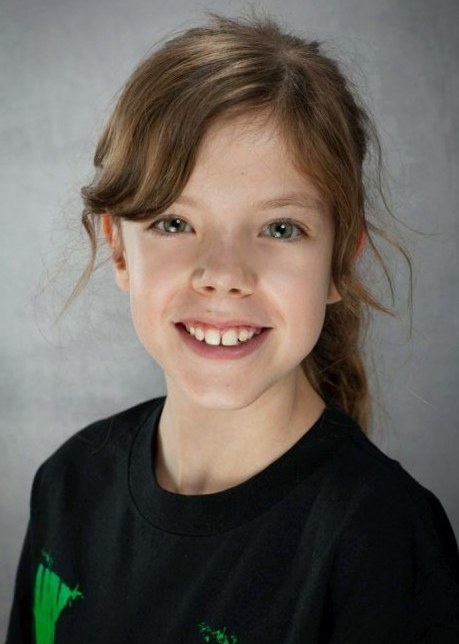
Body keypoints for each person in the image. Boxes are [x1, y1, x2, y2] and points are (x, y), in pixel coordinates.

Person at [6, 12, 459, 644]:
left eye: (280, 228)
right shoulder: (68, 485)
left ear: (339, 263)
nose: (223, 275)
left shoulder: (382, 540)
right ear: (118, 249)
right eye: (174, 223)